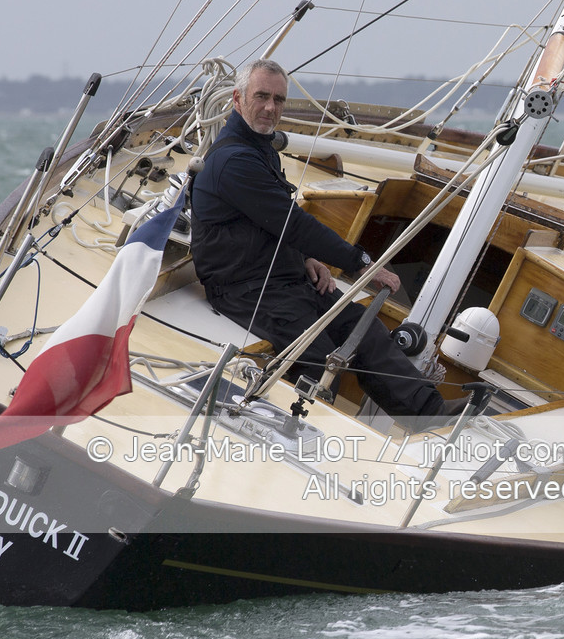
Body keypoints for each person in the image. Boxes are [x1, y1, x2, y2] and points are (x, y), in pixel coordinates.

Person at [189, 58, 455, 428]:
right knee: (317, 358)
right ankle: (315, 438)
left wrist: (303, 259)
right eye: (261, 96)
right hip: (246, 289)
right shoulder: (234, 161)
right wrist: (359, 260)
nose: (271, 108)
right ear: (237, 99)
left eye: (279, 100)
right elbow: (290, 223)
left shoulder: (259, 147)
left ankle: (431, 417)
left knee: (365, 330)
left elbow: (269, 222)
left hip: (286, 277)